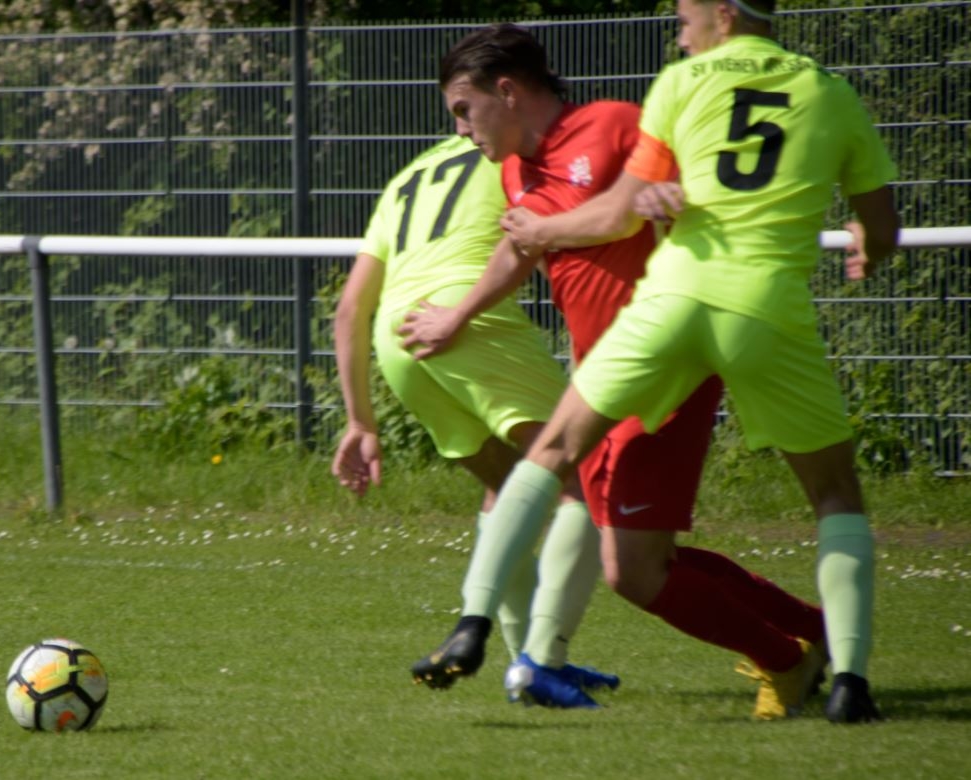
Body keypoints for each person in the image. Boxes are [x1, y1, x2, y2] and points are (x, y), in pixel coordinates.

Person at [400, 21, 830, 719]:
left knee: (631, 570)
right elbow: (520, 247)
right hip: (600, 381)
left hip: (664, 366)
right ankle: (813, 631)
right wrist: (459, 313)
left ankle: (787, 660)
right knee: (639, 555)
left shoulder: (613, 125)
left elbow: (663, 195)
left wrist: (670, 197)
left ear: (506, 92)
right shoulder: (515, 170)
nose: (460, 129)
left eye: (463, 109)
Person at [491, 0, 900, 724]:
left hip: (668, 312)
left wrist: (551, 228)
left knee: (573, 483)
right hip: (763, 309)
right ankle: (848, 677)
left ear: (723, 14)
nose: (678, 33)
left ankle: (484, 633)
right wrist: (867, 241)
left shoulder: (676, 85)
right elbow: (882, 225)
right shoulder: (830, 92)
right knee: (833, 495)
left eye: (684, 16)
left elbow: (623, 208)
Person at [331, 133, 618, 708]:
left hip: (396, 334)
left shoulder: (410, 174)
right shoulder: (513, 149)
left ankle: (526, 665)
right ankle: (540, 660)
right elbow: (550, 237)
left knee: (506, 486)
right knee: (585, 472)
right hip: (463, 318)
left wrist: (361, 421)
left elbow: (349, 308)